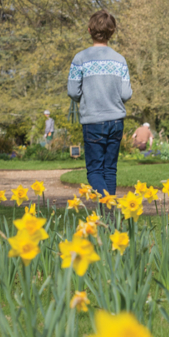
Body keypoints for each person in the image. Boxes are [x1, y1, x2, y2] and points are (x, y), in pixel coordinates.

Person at [67, 10, 133, 201]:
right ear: (112, 33)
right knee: (110, 170)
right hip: (116, 120)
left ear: (89, 30)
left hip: (93, 121)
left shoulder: (80, 59)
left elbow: (72, 91)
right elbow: (126, 94)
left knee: (95, 171)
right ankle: (110, 218)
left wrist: (86, 97)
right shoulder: (120, 60)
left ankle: (109, 207)